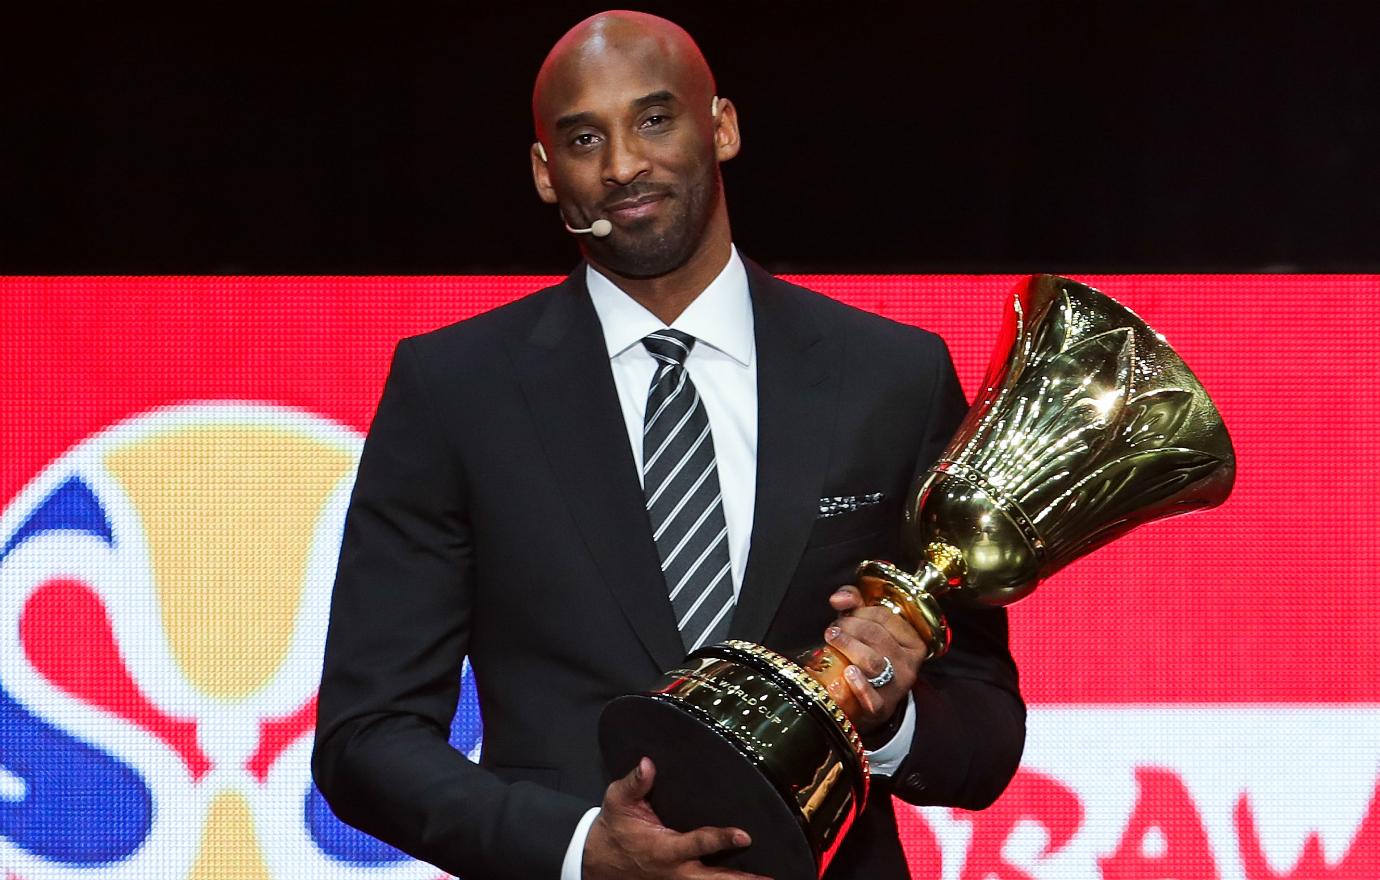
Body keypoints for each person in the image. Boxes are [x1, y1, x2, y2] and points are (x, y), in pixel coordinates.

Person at [313, 11, 1024, 880]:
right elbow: (365, 739)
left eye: (654, 120)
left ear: (720, 127)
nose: (622, 166)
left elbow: (985, 732)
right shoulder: (453, 391)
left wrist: (885, 715)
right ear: (546, 174)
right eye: (584, 138)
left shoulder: (892, 375)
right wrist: (579, 850)